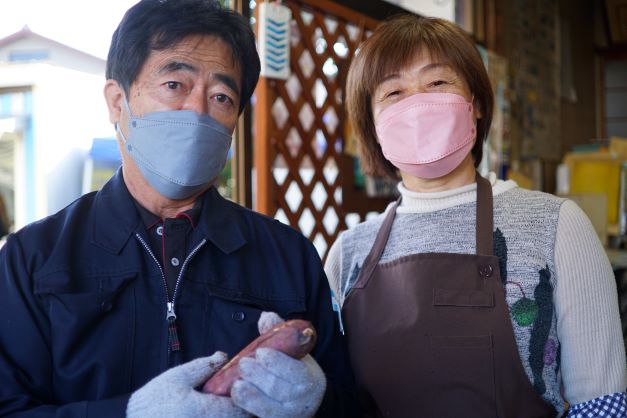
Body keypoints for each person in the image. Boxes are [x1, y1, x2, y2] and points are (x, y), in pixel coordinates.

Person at [0, 1, 357, 417]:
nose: (198, 110)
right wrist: (128, 414)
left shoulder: (289, 257)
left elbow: (349, 404)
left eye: (221, 96)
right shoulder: (33, 258)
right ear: (118, 101)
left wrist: (316, 401)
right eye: (174, 85)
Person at [325, 13, 627, 418]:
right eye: (393, 93)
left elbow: (601, 404)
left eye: (437, 83)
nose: (417, 104)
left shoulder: (557, 226)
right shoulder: (348, 254)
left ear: (478, 104)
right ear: (372, 126)